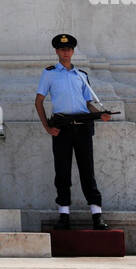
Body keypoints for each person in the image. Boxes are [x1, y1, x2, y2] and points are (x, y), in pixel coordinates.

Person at [34, 33, 111, 231]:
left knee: (87, 170)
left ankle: (96, 214)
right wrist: (47, 127)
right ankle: (64, 215)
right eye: (62, 49)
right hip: (62, 126)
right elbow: (39, 101)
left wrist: (100, 114)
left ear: (73, 51)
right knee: (62, 171)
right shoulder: (49, 73)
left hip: (83, 127)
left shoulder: (81, 75)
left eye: (68, 49)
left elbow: (88, 103)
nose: (65, 52)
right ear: (57, 51)